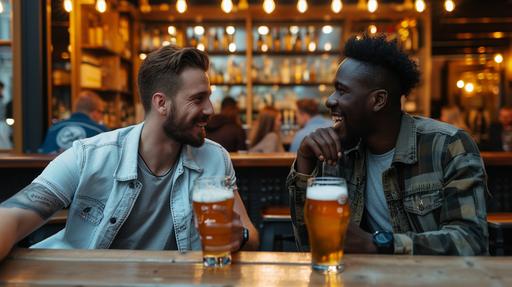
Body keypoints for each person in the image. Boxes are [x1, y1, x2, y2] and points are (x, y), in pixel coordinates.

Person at [0, 45, 259, 261]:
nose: (210, 109)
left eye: (209, 97)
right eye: (198, 99)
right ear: (161, 103)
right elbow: (13, 215)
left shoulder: (215, 158)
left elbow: (251, 236)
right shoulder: (90, 155)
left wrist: (241, 237)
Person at [287, 34, 488, 255]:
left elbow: (470, 241)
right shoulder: (339, 153)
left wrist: (376, 243)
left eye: (342, 91)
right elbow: (310, 246)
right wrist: (305, 161)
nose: (330, 100)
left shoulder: (448, 145)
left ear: (378, 100)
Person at [38, 91, 109, 154]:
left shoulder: (53, 128)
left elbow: (42, 154)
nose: (102, 116)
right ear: (95, 112)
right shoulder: (100, 131)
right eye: (101, 112)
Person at [0, 81, 12, 149]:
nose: (2, 91)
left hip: (3, 122)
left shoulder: (2, 99)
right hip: (2, 123)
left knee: (4, 141)